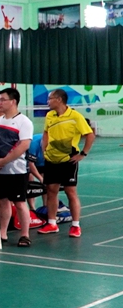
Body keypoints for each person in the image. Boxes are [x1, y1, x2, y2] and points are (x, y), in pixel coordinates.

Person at [39, 88, 95, 238]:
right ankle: (52, 223)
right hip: (51, 159)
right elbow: (46, 133)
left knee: (71, 192)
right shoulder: (50, 115)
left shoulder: (75, 116)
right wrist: (44, 150)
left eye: (50, 99)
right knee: (51, 190)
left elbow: (90, 135)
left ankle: (75, 225)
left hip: (69, 159)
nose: (47, 102)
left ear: (59, 100)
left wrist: (82, 154)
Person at [0, 88, 34, 247]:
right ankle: (2, 233)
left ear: (13, 102)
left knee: (19, 202)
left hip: (17, 170)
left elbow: (24, 145)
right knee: (1, 201)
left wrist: (5, 160)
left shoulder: (24, 122)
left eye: (2, 99)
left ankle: (25, 235)